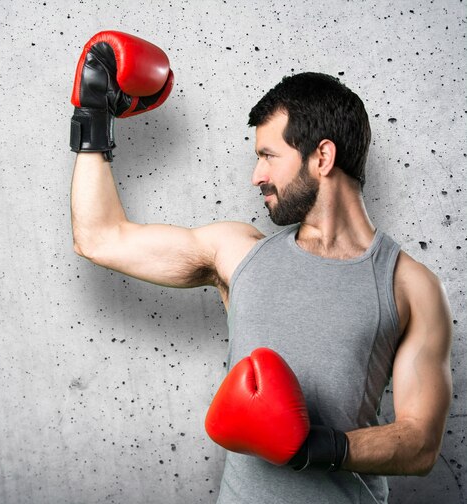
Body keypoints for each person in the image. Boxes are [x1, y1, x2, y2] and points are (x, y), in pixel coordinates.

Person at [69, 31, 453, 504]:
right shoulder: (237, 253)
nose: (257, 176)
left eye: (268, 156)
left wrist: (312, 447)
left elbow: (420, 444)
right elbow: (100, 238)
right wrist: (93, 117)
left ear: (322, 157)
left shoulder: (409, 286)